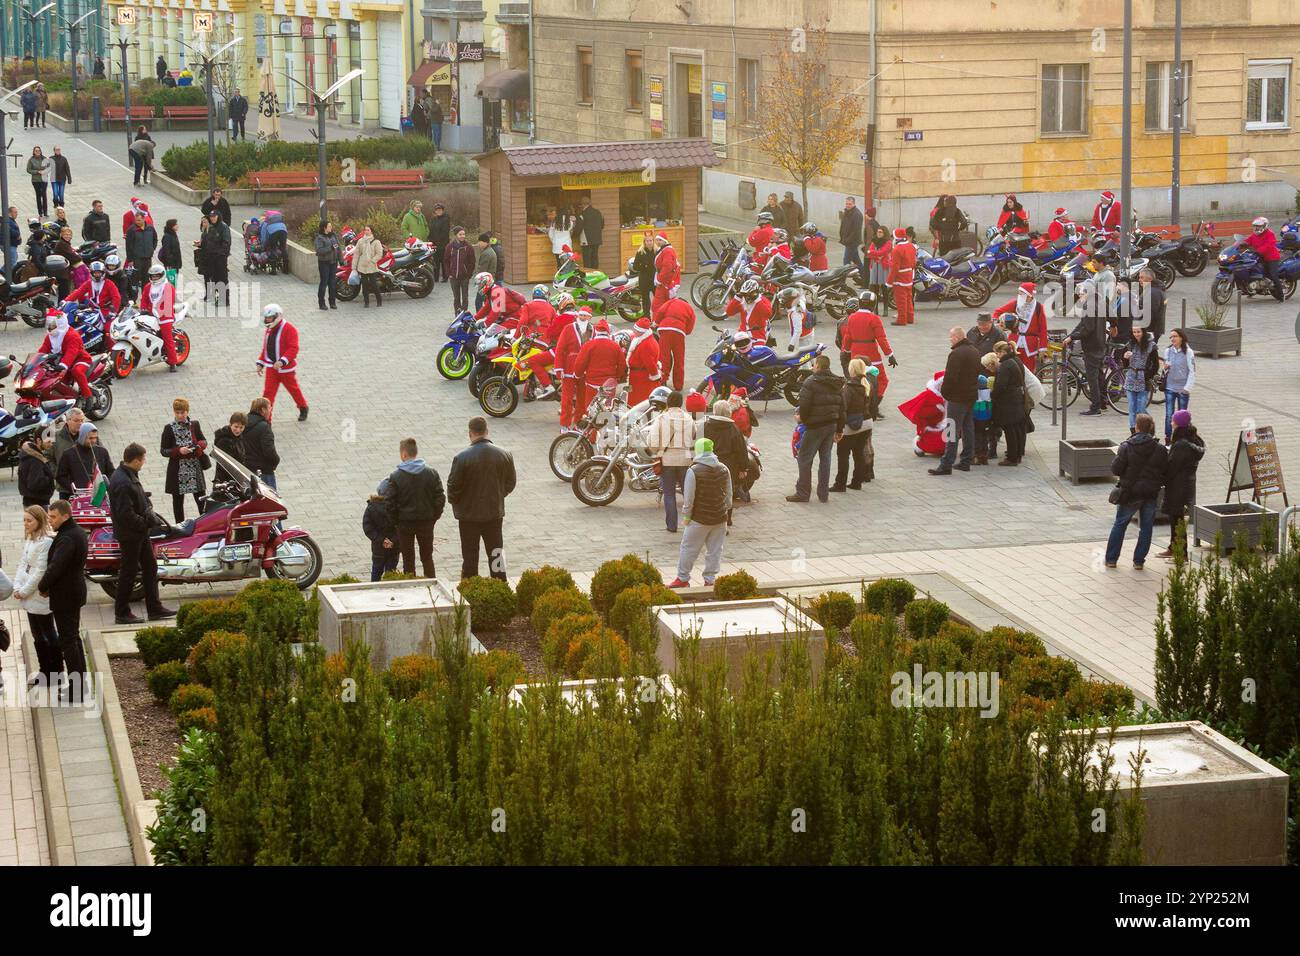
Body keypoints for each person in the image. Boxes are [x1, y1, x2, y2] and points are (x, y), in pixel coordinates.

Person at [108, 443, 175, 625]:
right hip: (131, 534)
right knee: (128, 572)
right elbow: (125, 514)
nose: (144, 463)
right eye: (143, 459)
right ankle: (121, 612)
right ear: (136, 460)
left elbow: (136, 500)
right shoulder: (122, 481)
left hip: (139, 533)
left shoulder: (128, 475)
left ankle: (154, 608)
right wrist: (145, 523)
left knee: (150, 567)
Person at [446, 417, 517, 581]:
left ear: (470, 433)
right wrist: (499, 494)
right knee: (497, 552)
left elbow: (452, 488)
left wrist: (460, 503)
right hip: (494, 513)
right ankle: (501, 584)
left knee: (470, 556)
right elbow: (510, 483)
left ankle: (470, 587)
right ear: (487, 431)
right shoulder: (504, 454)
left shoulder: (461, 457)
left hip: (468, 517)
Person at [38, 501, 89, 703]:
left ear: (65, 516)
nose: (50, 521)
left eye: (53, 517)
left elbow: (56, 567)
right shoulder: (74, 532)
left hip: (66, 595)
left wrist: (43, 586)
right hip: (72, 593)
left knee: (68, 641)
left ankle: (77, 689)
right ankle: (80, 684)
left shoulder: (68, 537)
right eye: (49, 517)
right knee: (73, 638)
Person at [1104, 413, 1167, 570]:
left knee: (1120, 524)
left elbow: (1116, 469)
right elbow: (1165, 471)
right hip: (1150, 493)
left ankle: (1111, 559)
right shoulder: (1159, 448)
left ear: (1137, 427)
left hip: (1130, 492)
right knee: (1146, 527)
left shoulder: (1126, 446)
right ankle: (1139, 561)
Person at [667, 437, 733, 589]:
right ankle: (710, 580)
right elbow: (729, 496)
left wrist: (686, 517)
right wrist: (724, 511)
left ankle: (683, 578)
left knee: (688, 548)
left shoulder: (693, 471)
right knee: (715, 550)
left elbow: (689, 499)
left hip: (699, 519)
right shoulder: (724, 468)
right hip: (720, 518)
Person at [14, 505, 62, 689]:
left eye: (29, 520)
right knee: (37, 635)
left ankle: (56, 672)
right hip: (29, 595)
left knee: (49, 633)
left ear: (39, 521)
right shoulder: (30, 539)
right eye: (24, 520)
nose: (25, 524)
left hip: (39, 596)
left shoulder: (46, 542)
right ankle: (45, 671)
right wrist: (18, 587)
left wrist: (24, 590)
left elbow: (40, 572)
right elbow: (22, 564)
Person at [787, 354, 845, 503]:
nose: (812, 367)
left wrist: (802, 419)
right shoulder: (837, 382)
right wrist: (839, 429)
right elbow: (842, 408)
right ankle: (823, 494)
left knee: (804, 459)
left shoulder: (811, 382)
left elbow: (804, 406)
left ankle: (803, 493)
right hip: (831, 425)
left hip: (814, 427)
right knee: (825, 459)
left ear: (818, 366)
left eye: (814, 365)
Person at [386, 438, 445, 578]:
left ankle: (411, 586)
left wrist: (396, 522)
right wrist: (433, 517)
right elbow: (440, 498)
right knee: (427, 558)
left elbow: (390, 503)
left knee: (408, 560)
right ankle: (431, 584)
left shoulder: (396, 476)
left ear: (404, 454)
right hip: (426, 522)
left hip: (404, 524)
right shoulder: (431, 473)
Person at [929, 327, 982, 475]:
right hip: (971, 396)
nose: (950, 339)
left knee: (951, 429)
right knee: (968, 428)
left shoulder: (956, 354)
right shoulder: (975, 351)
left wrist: (945, 393)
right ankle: (966, 460)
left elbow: (950, 377)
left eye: (951, 337)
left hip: (957, 398)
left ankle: (946, 463)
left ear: (958, 337)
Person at [1157, 409, 1204, 559]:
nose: (1171, 423)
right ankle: (1174, 547)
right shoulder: (1193, 440)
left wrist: (1161, 476)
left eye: (1173, 421)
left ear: (1178, 424)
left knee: (1177, 519)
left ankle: (1180, 553)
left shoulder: (1181, 445)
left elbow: (1172, 467)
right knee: (1176, 518)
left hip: (1179, 486)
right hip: (1186, 484)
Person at [648, 390, 697, 533]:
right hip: (685, 461)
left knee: (669, 494)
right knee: (688, 493)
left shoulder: (661, 419)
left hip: (667, 461)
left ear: (668, 402)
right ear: (681, 403)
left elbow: (653, 441)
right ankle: (691, 523)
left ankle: (672, 525)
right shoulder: (689, 419)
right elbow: (694, 437)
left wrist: (658, 451)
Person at [1064, 282, 1111, 416]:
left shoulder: (1089, 305)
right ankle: (1102, 402)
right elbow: (1082, 324)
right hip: (1100, 344)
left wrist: (1072, 338)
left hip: (1092, 346)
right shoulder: (1098, 302)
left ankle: (1095, 407)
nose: (1079, 295)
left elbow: (1087, 328)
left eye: (1081, 293)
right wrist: (1072, 334)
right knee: (1099, 376)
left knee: (1092, 378)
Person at [831, 359, 878, 490]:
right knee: (858, 453)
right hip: (867, 423)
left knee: (843, 454)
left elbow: (843, 409)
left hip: (851, 425)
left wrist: (838, 428)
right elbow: (874, 405)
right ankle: (857, 482)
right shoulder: (868, 383)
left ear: (852, 370)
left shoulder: (848, 387)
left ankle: (840, 484)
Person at [256, 304, 308, 421]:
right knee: (268, 394)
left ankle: (303, 407)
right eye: (266, 317)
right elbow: (266, 348)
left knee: (293, 389)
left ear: (277, 316)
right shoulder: (269, 329)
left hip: (286, 370)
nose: (267, 320)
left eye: (270, 317)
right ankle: (266, 420)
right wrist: (260, 363)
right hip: (272, 369)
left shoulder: (290, 329)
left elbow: (293, 348)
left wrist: (282, 361)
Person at [841, 289, 897, 396]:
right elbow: (881, 339)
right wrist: (890, 355)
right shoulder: (874, 318)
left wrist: (846, 351)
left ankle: (860, 402)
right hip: (871, 353)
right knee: (882, 380)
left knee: (858, 380)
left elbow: (847, 337)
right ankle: (874, 403)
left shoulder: (852, 317)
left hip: (855, 353)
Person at [160, 398, 208, 522]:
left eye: (183, 412)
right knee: (177, 502)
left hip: (194, 468)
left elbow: (204, 441)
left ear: (187, 411)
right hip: (178, 471)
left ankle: (204, 523)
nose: (180, 415)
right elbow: (163, 450)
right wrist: (178, 451)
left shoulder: (194, 425)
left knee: (201, 500)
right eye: (178, 413)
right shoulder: (168, 428)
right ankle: (179, 526)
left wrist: (198, 446)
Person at [37, 309, 94, 401]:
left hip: (80, 360)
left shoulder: (72, 336)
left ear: (60, 324)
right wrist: (35, 362)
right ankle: (66, 398)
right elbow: (43, 350)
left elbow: (71, 353)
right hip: (61, 362)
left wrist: (63, 365)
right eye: (49, 324)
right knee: (51, 377)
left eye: (52, 324)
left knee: (77, 371)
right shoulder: (50, 337)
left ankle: (87, 396)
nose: (49, 327)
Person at [993, 281, 1049, 373]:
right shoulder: (1015, 303)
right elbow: (997, 312)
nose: (1019, 295)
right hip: (1014, 342)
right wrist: (999, 322)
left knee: (1029, 372)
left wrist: (1043, 348)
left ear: (1029, 295)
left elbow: (1043, 329)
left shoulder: (1039, 307)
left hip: (1030, 346)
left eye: (1021, 293)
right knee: (1012, 370)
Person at [574, 318, 627, 409]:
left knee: (590, 408)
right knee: (607, 408)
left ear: (596, 332)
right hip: (609, 383)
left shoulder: (588, 345)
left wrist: (578, 375)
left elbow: (580, 363)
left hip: (592, 382)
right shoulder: (615, 346)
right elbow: (622, 365)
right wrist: (617, 377)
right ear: (607, 332)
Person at [554, 307, 594, 428]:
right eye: (581, 315)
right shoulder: (569, 328)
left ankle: (578, 423)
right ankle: (564, 425)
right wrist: (559, 368)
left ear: (589, 317)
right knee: (567, 399)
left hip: (585, 369)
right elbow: (560, 348)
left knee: (582, 399)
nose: (582, 318)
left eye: (585, 316)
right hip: (569, 368)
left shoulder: (593, 330)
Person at [703, 399, 747, 506]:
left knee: (709, 490)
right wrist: (743, 468)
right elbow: (741, 450)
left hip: (708, 463)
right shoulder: (734, 429)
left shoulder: (705, 427)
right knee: (727, 491)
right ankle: (728, 516)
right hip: (728, 466)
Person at [990, 343, 1028, 466]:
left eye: (998, 353)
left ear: (1003, 353)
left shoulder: (1005, 365)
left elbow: (1001, 385)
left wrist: (993, 395)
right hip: (1016, 399)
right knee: (1015, 428)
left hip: (1009, 402)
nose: (996, 356)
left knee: (1009, 429)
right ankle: (1016, 455)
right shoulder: (1013, 361)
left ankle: (1012, 458)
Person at [138, 263, 180, 371]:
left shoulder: (168, 287)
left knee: (167, 338)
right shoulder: (148, 286)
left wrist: (158, 313)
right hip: (150, 315)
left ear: (162, 275)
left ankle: (172, 362)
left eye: (157, 276)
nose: (154, 278)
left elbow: (168, 303)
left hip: (165, 316)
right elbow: (144, 300)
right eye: (153, 276)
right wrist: (143, 310)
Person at [56, 421, 114, 497]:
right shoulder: (69, 454)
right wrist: (74, 488)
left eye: (95, 438)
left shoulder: (102, 452)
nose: (93, 441)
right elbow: (60, 476)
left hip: (99, 496)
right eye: (90, 438)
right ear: (82, 436)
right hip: (76, 496)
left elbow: (111, 472)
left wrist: (105, 485)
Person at [652, 293, 696, 390]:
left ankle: (662, 381)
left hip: (665, 329)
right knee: (679, 359)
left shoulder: (671, 301)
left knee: (664, 357)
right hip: (679, 332)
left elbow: (660, 312)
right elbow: (690, 327)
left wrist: (655, 323)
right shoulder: (689, 308)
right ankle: (678, 385)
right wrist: (684, 330)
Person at [1160, 328, 1196, 442]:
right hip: (1170, 387)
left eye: (1175, 336)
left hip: (1182, 389)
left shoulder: (1188, 352)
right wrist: (1165, 367)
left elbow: (1192, 370)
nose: (1172, 339)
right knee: (1169, 414)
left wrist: (1187, 388)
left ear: (1181, 337)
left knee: (1182, 416)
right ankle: (1168, 437)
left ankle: (1182, 438)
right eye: (1171, 337)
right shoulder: (1168, 351)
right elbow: (1165, 367)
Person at [1122, 326, 1157, 433]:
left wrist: (1146, 375)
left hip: (1143, 379)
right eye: (1134, 332)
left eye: (1138, 332)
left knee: (1140, 409)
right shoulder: (1130, 344)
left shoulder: (1151, 346)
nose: (1136, 334)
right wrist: (1125, 358)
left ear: (1143, 332)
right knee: (1132, 408)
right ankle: (1133, 432)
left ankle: (1149, 429)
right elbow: (1125, 365)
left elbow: (1155, 365)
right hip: (1131, 378)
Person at [364, 479, 400, 581]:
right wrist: (392, 540)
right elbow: (401, 527)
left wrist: (381, 540)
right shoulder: (398, 507)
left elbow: (368, 527)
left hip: (378, 547)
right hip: (394, 547)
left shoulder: (371, 507)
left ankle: (374, 590)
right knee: (391, 573)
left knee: (376, 571)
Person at [1243, 216, 1284, 301]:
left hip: (1271, 258)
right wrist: (1240, 244)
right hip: (1260, 257)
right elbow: (1247, 241)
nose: (1256, 228)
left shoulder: (1270, 234)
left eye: (1258, 226)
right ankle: (1251, 289)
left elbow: (1269, 245)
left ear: (1264, 226)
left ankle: (1281, 295)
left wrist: (1259, 250)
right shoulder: (1254, 235)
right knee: (1251, 269)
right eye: (1255, 226)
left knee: (1273, 275)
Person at [625, 317, 662, 406]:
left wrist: (655, 376)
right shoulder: (645, 339)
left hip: (641, 378)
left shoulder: (645, 344)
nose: (634, 332)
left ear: (642, 331)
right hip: (638, 376)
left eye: (636, 330)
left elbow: (650, 363)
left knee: (638, 401)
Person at [243, 398, 279, 489]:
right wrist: (276, 461)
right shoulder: (264, 427)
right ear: (263, 410)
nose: (271, 410)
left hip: (245, 469)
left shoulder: (242, 423)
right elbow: (269, 451)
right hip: (264, 471)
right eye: (269, 407)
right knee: (269, 502)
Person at [885, 227, 915, 326]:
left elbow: (895, 267)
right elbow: (914, 262)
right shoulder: (911, 246)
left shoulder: (897, 249)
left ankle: (902, 319)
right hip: (909, 275)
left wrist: (889, 281)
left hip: (900, 278)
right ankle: (910, 317)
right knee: (908, 299)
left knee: (900, 300)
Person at [442, 226, 476, 313]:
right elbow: (446, 261)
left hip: (464, 277)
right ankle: (457, 315)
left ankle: (464, 314)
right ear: (456, 235)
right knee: (456, 298)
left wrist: (469, 274)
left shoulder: (468, 247)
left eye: (464, 234)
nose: (462, 236)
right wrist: (448, 273)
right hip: (453, 277)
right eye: (460, 234)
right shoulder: (450, 247)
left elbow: (472, 262)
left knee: (465, 297)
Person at [124, 210, 158, 294]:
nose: (137, 222)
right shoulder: (131, 230)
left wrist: (151, 249)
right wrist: (130, 260)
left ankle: (145, 296)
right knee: (135, 279)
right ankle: (133, 299)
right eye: (136, 220)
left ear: (143, 219)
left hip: (147, 258)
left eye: (139, 220)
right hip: (136, 259)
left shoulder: (150, 228)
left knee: (146, 278)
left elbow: (155, 239)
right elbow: (128, 246)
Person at [19, 433, 56, 508]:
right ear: (39, 440)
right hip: (37, 503)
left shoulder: (34, 455)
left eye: (52, 442)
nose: (51, 444)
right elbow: (35, 484)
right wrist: (49, 478)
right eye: (48, 441)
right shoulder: (34, 459)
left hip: (34, 501)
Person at [213, 411, 248, 483]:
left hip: (236, 479)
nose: (238, 430)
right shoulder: (224, 441)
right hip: (226, 482)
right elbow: (225, 466)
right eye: (236, 426)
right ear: (230, 424)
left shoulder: (238, 437)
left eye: (241, 427)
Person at [314, 221, 341, 311]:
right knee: (324, 282)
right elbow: (319, 251)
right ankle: (321, 303)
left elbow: (338, 248)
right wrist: (330, 248)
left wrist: (341, 259)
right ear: (324, 228)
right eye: (329, 226)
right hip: (324, 263)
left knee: (332, 283)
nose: (331, 227)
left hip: (333, 262)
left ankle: (332, 302)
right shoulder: (319, 238)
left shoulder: (333, 235)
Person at [651, 232, 680, 313]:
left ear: (665, 241)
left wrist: (660, 280)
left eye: (660, 240)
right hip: (665, 283)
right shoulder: (665, 250)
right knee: (667, 304)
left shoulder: (667, 251)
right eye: (657, 240)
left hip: (664, 283)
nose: (658, 242)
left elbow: (667, 267)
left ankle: (657, 323)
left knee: (657, 306)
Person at [632, 232, 657, 320]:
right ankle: (647, 317)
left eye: (651, 240)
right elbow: (635, 266)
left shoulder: (656, 251)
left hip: (654, 279)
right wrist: (643, 266)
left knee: (657, 298)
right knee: (646, 299)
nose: (649, 242)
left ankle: (657, 316)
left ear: (653, 241)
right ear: (644, 242)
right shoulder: (640, 252)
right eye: (647, 241)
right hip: (644, 279)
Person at [576, 196, 604, 270]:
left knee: (587, 259)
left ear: (582, 204)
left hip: (586, 239)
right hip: (597, 239)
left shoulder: (582, 214)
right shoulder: (598, 212)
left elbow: (579, 227)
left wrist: (573, 235)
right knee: (595, 257)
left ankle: (589, 275)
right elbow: (602, 225)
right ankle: (596, 274)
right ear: (589, 203)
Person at [839, 197, 865, 275]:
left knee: (846, 261)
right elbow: (843, 226)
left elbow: (856, 231)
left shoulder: (857, 214)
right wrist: (842, 236)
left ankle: (842, 281)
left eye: (850, 204)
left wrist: (847, 240)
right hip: (847, 241)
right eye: (846, 203)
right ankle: (865, 278)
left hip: (852, 242)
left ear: (854, 204)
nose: (848, 205)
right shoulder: (846, 212)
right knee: (857, 261)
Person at [428, 203, 451, 283]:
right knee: (435, 261)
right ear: (435, 211)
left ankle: (445, 277)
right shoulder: (433, 219)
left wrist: (438, 241)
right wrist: (430, 240)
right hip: (434, 244)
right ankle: (436, 277)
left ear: (443, 210)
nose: (438, 211)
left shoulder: (446, 218)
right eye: (437, 210)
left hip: (443, 244)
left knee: (443, 261)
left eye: (440, 210)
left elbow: (445, 232)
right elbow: (430, 230)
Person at [27, 147, 51, 217]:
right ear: (34, 152)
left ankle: (45, 211)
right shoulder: (31, 160)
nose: (38, 152)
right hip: (35, 180)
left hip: (44, 179)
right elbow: (28, 170)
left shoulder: (44, 158)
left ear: (41, 151)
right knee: (38, 195)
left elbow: (49, 167)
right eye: (36, 151)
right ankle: (40, 212)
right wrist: (37, 172)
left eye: (39, 150)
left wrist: (44, 171)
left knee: (44, 194)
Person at [159, 218, 183, 286]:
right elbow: (167, 251)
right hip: (171, 264)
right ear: (171, 226)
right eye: (176, 224)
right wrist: (169, 263)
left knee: (173, 280)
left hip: (175, 262)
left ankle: (172, 294)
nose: (177, 226)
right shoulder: (167, 236)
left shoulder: (173, 234)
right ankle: (170, 294)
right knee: (171, 281)